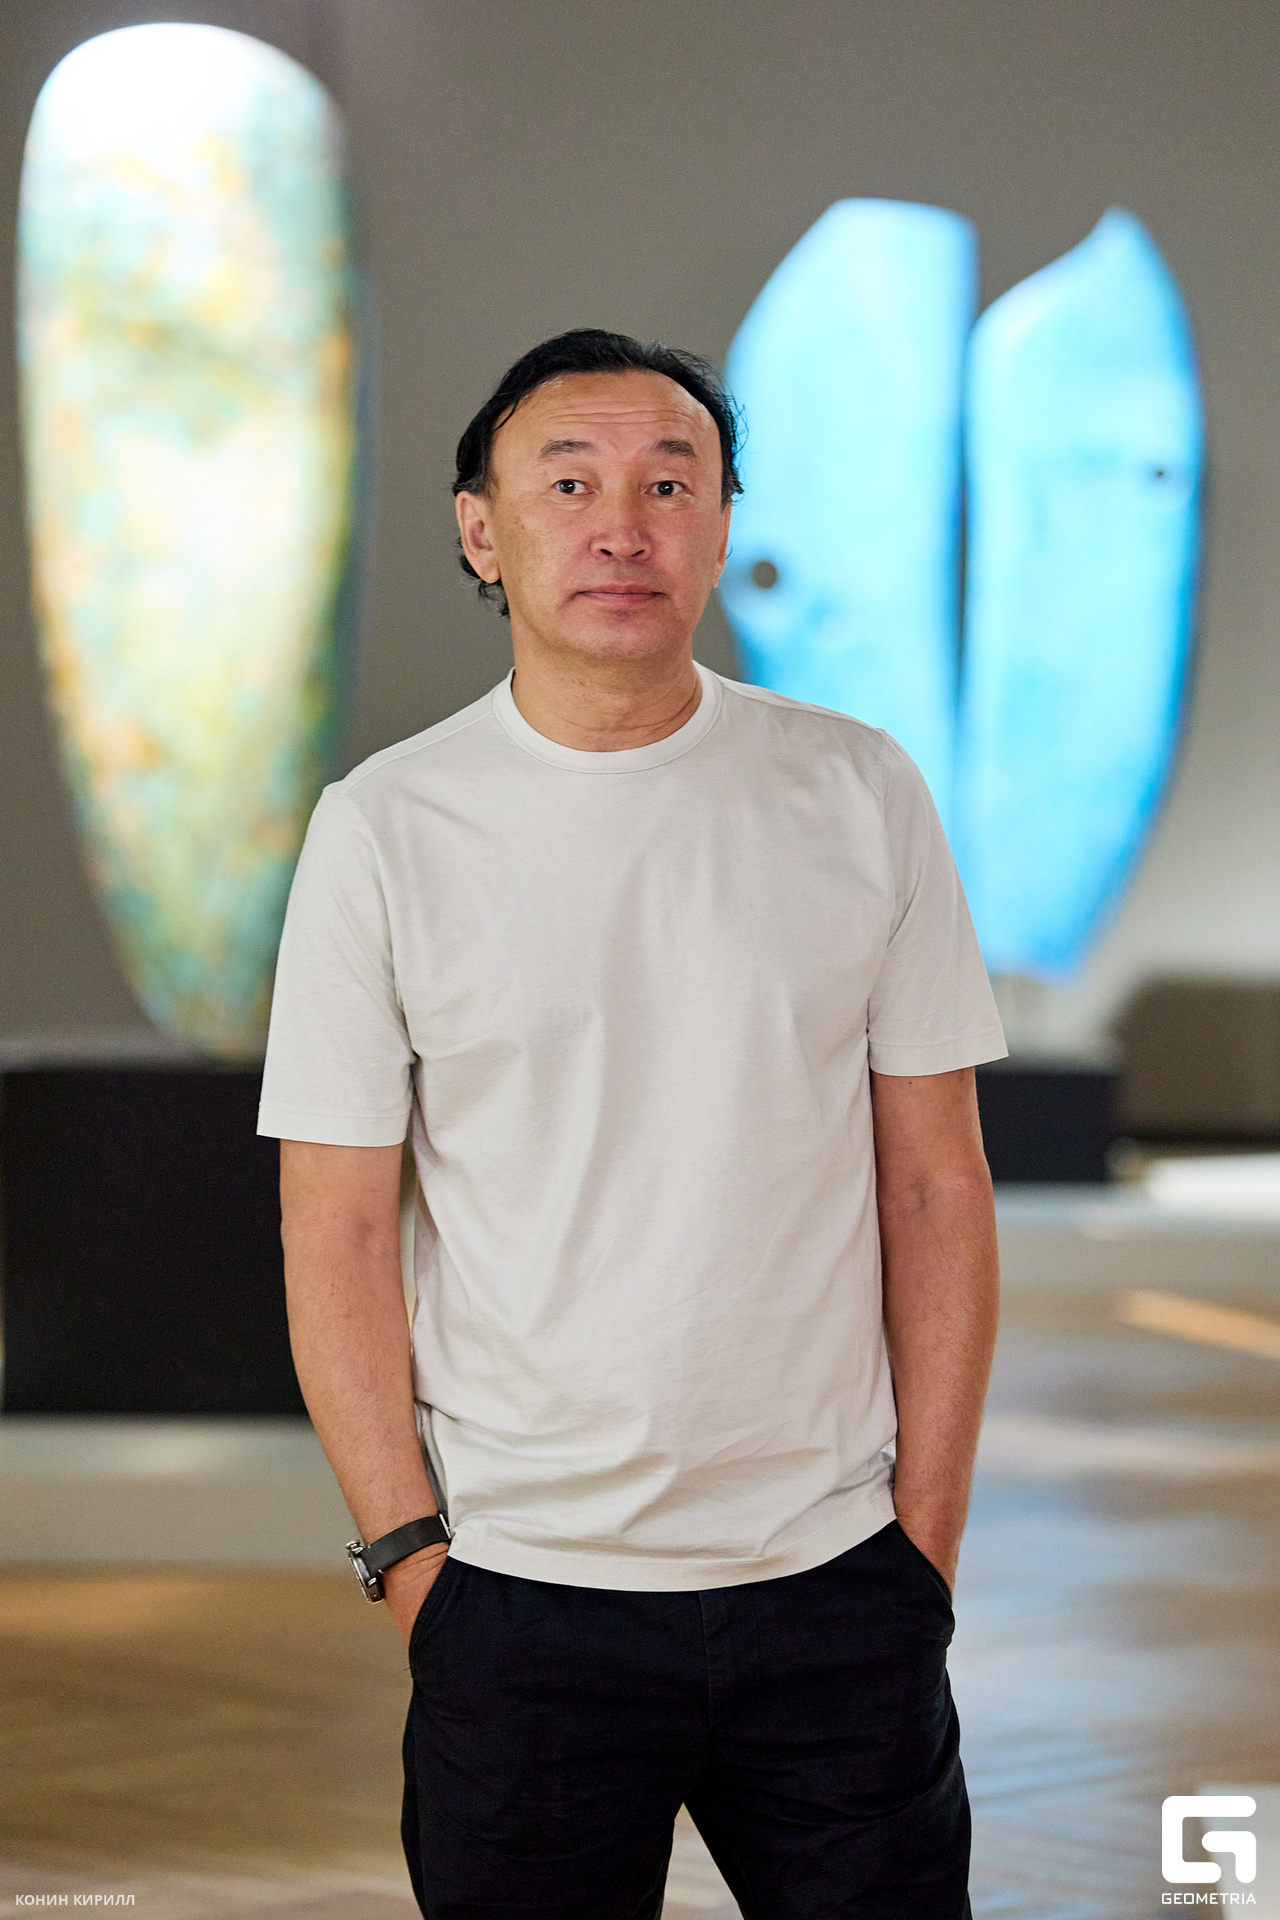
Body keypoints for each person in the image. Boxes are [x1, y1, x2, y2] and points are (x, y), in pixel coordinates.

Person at [258, 327, 1006, 1919]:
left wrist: (921, 1547)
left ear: (722, 527)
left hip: (834, 1584)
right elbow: (336, 1227)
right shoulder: (385, 828)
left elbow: (937, 1188)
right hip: (521, 1598)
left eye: (671, 484)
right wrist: (411, 1565)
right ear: (482, 531)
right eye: (570, 483)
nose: (623, 526)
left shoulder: (859, 790)